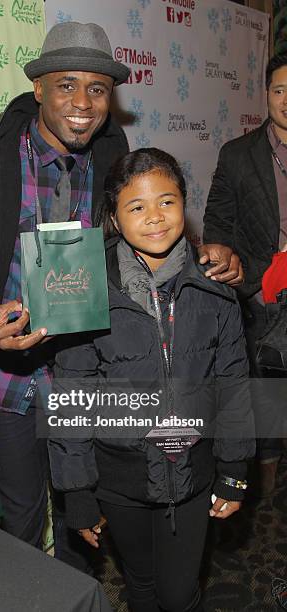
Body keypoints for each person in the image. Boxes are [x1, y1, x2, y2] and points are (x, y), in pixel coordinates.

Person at [0, 21, 130, 569]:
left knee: (83, 523)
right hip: (12, 387)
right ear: (38, 89)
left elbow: (140, 251)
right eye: (66, 84)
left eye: (98, 88)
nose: (83, 102)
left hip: (87, 381)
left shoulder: (112, 172)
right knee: (21, 526)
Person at [48, 148, 255, 612]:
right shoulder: (83, 287)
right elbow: (72, 393)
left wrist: (234, 472)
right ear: (116, 220)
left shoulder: (215, 284)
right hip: (121, 476)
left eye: (167, 201)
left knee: (180, 594)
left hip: (193, 471)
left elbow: (234, 386)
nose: (156, 217)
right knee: (140, 585)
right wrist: (77, 490)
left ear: (185, 204)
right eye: (136, 207)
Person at [203, 53, 287, 496]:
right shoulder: (237, 156)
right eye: (279, 90)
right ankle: (268, 468)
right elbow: (216, 221)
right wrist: (227, 262)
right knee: (265, 390)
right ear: (266, 95)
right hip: (261, 293)